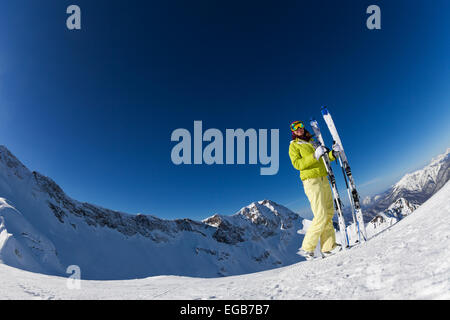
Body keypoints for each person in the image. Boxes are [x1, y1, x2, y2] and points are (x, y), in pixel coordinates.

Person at [288, 120, 343, 260]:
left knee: (329, 212)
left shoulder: (313, 141)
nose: (299, 129)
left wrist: (333, 154)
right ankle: (307, 248)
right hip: (311, 181)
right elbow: (297, 164)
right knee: (320, 215)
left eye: (300, 125)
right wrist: (314, 155)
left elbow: (323, 158)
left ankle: (328, 247)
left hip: (324, 178)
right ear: (293, 132)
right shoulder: (294, 146)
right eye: (295, 128)